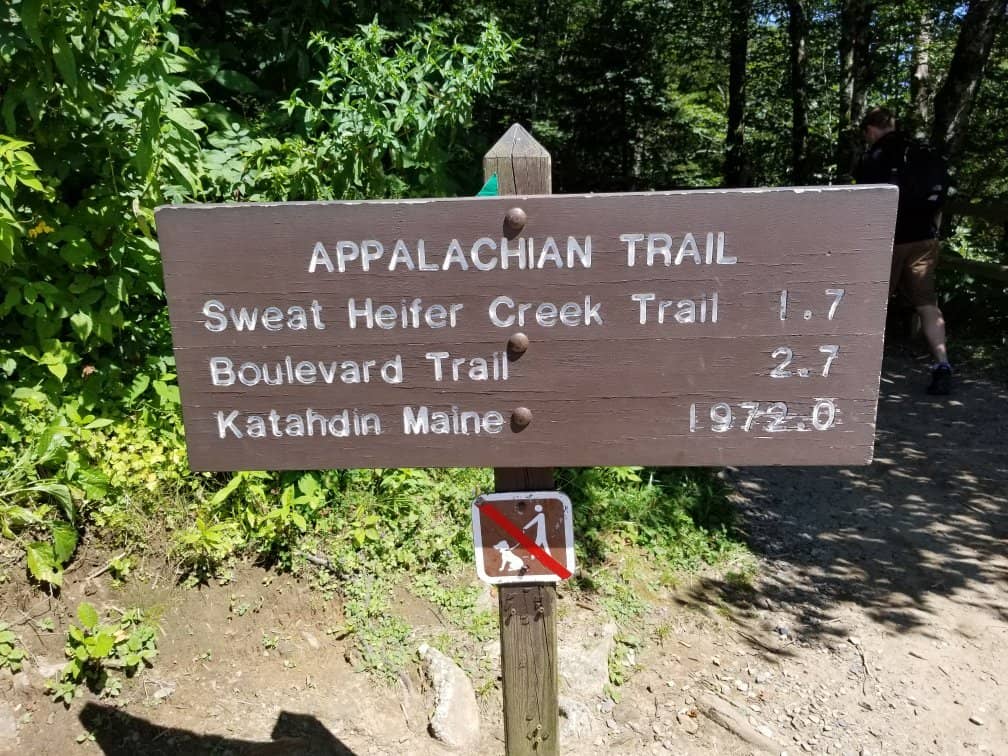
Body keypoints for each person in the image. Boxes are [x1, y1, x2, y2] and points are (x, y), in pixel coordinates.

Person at [855, 107, 952, 395]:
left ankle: (859, 369)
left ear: (871, 129)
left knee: (873, 305)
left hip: (889, 240)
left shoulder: (875, 156)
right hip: (925, 239)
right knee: (926, 303)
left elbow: (863, 202)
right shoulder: (922, 149)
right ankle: (942, 363)